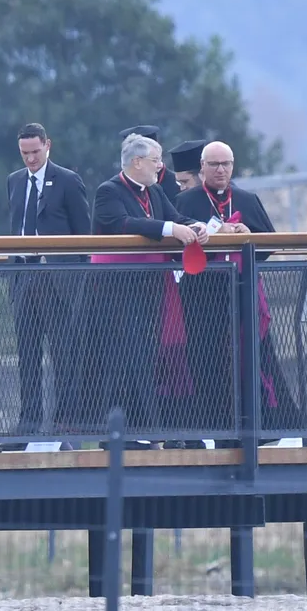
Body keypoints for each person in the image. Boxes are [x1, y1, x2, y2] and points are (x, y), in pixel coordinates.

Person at [74, 133, 205, 446]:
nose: (161, 166)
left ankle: (145, 429)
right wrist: (171, 230)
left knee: (146, 357)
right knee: (121, 359)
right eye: (155, 160)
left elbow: (176, 218)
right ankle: (120, 433)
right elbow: (124, 223)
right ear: (136, 162)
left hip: (148, 288)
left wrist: (197, 226)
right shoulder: (109, 191)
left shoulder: (155, 190)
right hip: (115, 291)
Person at [173, 140, 302, 444]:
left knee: (251, 361)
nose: (221, 170)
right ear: (202, 167)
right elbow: (175, 245)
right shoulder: (185, 202)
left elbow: (269, 244)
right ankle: (214, 429)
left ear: (233, 167)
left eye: (226, 164)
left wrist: (250, 236)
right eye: (214, 164)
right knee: (206, 361)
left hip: (242, 294)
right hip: (202, 296)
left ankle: (257, 429)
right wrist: (216, 234)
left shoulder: (246, 198)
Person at [3, 122, 91, 448]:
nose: (30, 159)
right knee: (27, 355)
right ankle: (28, 423)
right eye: (25, 154)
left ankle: (65, 423)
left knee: (63, 355)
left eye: (35, 152)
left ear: (48, 146)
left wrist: (77, 283)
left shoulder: (68, 181)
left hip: (58, 280)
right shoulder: (14, 181)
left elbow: (84, 236)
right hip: (25, 277)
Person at [119, 125, 181, 204]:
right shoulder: (114, 190)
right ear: (136, 162)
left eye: (157, 159)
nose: (159, 165)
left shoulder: (177, 184)